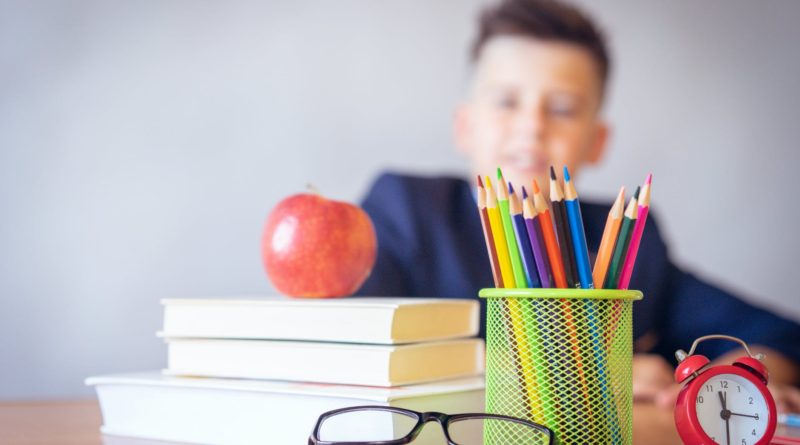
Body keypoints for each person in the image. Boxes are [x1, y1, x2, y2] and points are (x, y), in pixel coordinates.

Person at [355, 0, 800, 425]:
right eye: (507, 101)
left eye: (563, 109)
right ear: (464, 126)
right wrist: (589, 379)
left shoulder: (628, 239)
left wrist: (733, 383)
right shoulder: (406, 210)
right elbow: (354, 343)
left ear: (597, 141)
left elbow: (778, 336)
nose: (532, 125)